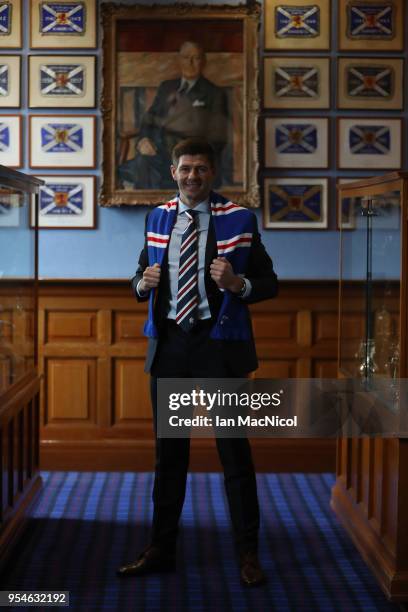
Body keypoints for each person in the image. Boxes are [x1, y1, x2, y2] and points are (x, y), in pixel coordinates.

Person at [118, 138, 278, 586]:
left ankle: (248, 554)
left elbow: (269, 283)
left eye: (201, 169)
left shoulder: (240, 219)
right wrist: (140, 284)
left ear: (213, 173)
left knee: (234, 454)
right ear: (173, 172)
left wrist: (239, 282)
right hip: (171, 348)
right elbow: (138, 276)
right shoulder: (157, 217)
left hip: (218, 349)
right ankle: (161, 548)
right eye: (185, 168)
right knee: (170, 457)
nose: (193, 176)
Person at [118, 41, 229, 190]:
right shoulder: (167, 87)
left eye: (195, 58)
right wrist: (144, 140)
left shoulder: (214, 93)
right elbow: (149, 119)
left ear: (203, 61)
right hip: (157, 152)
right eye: (185, 58)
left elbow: (218, 136)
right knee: (140, 164)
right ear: (179, 60)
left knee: (144, 166)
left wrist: (188, 155)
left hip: (187, 157)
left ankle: (153, 205)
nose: (190, 63)